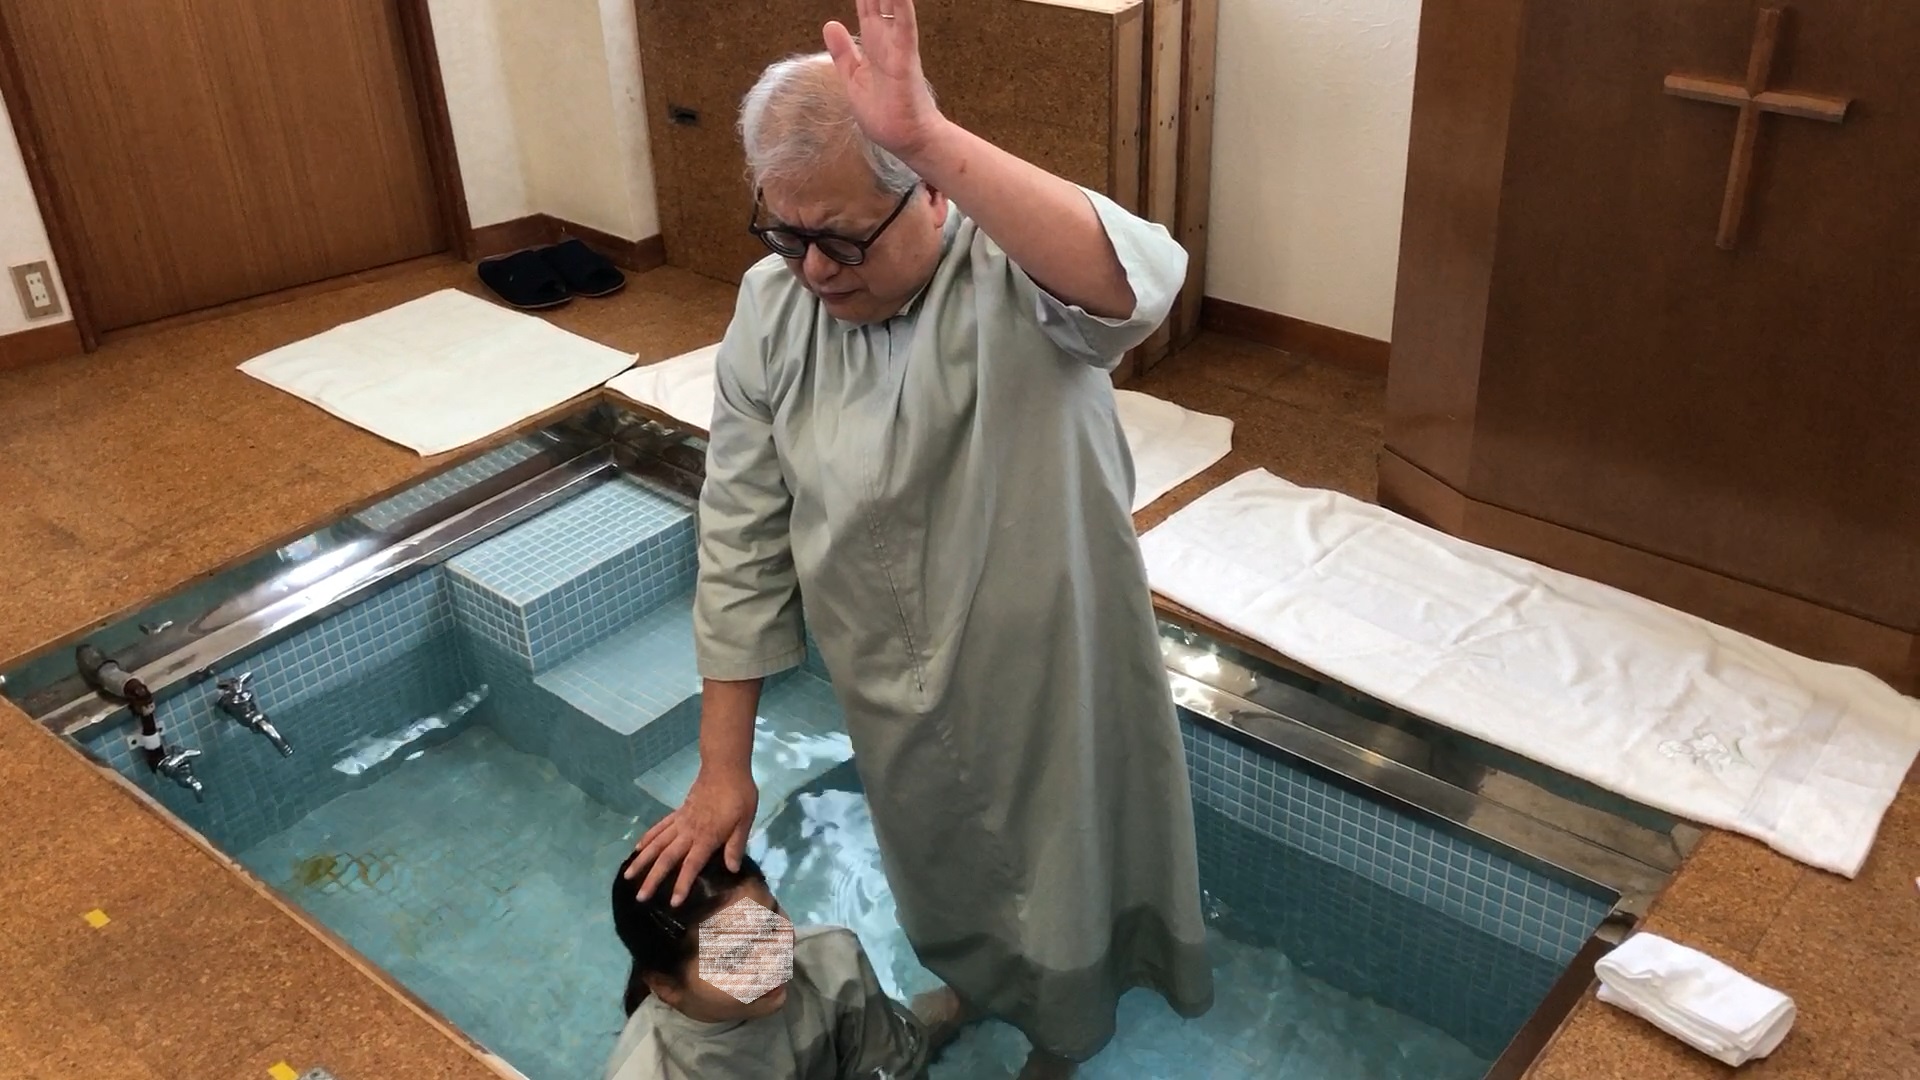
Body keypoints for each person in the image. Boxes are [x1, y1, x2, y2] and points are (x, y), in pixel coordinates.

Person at [626, 0, 1215, 1075]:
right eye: (787, 234)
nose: (814, 269)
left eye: (842, 238)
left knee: (1070, 873)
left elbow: (1143, 284)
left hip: (1049, 671)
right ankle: (981, 987)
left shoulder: (1012, 270)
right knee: (940, 867)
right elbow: (741, 534)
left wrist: (928, 133)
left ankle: (1063, 1038)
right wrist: (723, 766)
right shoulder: (771, 310)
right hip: (890, 676)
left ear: (929, 193)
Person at [605, 849, 930, 1079]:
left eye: (770, 923)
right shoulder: (647, 1071)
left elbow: (889, 1066)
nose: (774, 961)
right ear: (665, 986)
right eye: (736, 955)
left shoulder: (835, 962)